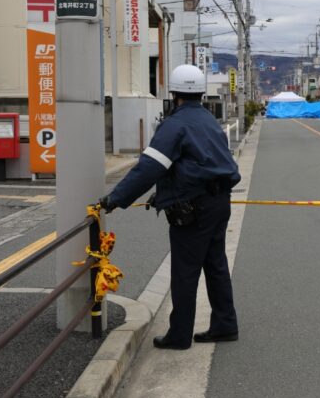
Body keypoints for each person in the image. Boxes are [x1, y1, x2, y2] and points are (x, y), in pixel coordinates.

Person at [99, 64, 241, 350]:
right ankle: (225, 324)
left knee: (185, 271)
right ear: (200, 92)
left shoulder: (174, 124)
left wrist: (116, 198)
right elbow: (195, 165)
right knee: (216, 265)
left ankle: (179, 335)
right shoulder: (210, 122)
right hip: (219, 203)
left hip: (194, 209)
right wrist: (162, 194)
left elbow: (150, 166)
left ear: (174, 94)